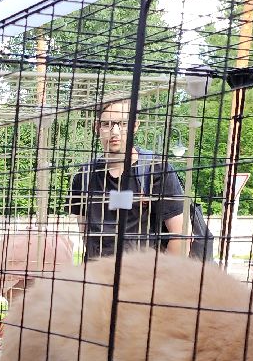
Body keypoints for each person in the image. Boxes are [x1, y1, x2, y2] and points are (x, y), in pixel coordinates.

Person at [68, 98, 190, 260]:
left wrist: (161, 279)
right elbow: (85, 230)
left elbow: (181, 235)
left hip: (140, 277)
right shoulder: (84, 175)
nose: (115, 132)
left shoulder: (155, 170)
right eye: (107, 124)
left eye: (123, 124)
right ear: (97, 127)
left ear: (135, 126)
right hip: (95, 276)